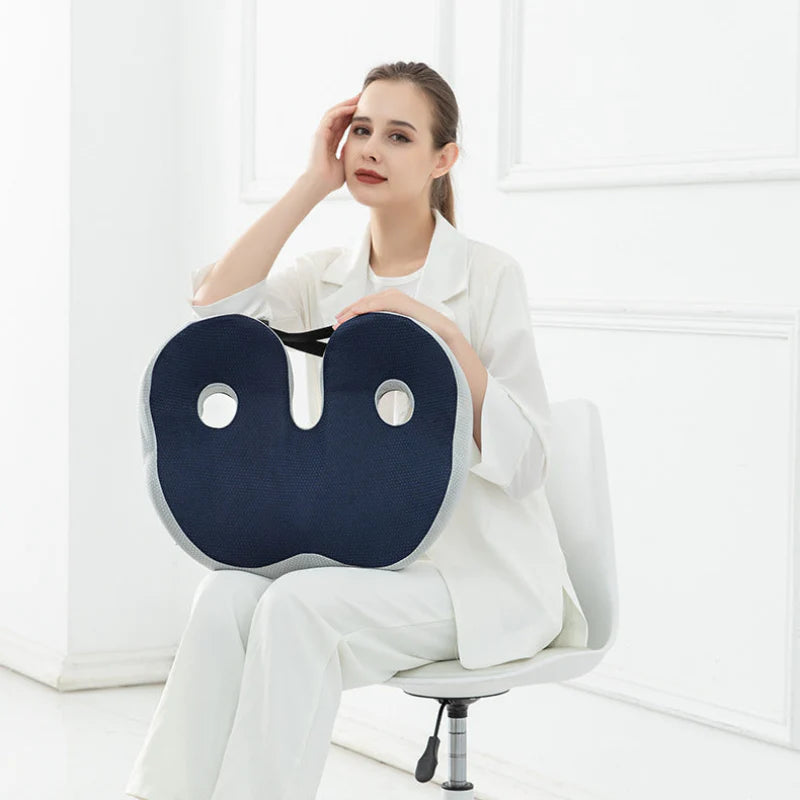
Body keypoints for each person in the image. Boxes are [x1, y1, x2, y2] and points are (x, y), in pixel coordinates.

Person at [125, 60, 589, 800]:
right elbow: (213, 315)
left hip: (477, 580)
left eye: (399, 136)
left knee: (298, 607)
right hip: (364, 560)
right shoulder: (325, 276)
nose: (372, 148)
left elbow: (528, 462)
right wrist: (314, 181)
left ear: (444, 160)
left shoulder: (490, 277)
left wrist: (439, 330)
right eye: (362, 130)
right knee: (224, 598)